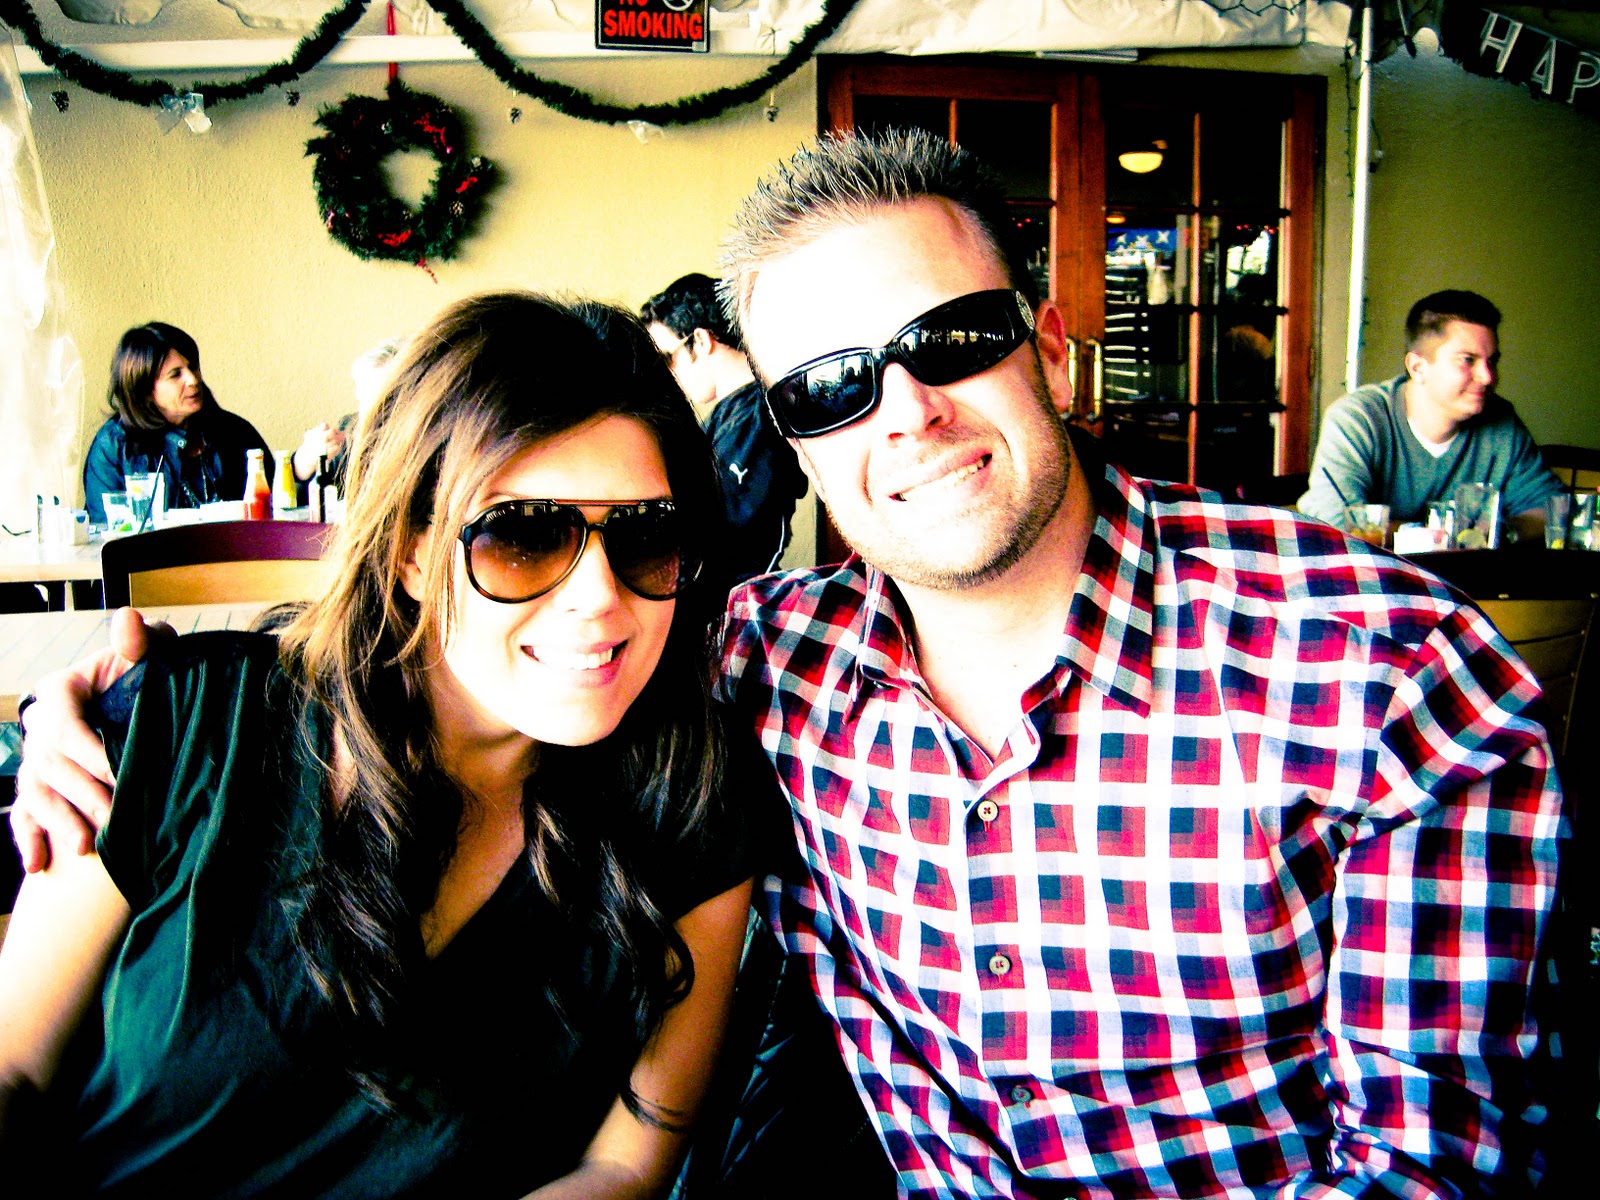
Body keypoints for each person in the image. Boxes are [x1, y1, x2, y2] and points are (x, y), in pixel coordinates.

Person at [12, 134, 1569, 1198]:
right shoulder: (770, 665)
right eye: (829, 385)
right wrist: (82, 703)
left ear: (1048, 341)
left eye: (953, 340)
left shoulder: (1382, 670)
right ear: (791, 440)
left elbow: (1435, 1167)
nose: (905, 411)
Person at [0, 292, 757, 1196]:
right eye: (523, 536)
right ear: (407, 550)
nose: (600, 596)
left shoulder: (693, 797)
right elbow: (15, 1068)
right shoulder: (189, 726)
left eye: (644, 536)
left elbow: (625, 1165)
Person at [1298, 290, 1560, 538]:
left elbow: (1550, 509)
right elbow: (1339, 522)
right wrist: (1454, 537)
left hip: (1467, 572)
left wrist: (1499, 534)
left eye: (1491, 361)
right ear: (1418, 367)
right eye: (1468, 360)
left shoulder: (1501, 421)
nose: (1487, 376)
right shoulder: (1358, 418)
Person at [642, 274, 808, 583]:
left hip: (726, 600)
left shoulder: (763, 417)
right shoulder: (728, 414)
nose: (665, 374)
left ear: (701, 341)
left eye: (666, 359)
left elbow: (725, 536)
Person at [83, 322, 272, 523]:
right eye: (175, 375)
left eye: (193, 367)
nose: (193, 380)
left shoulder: (235, 432)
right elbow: (106, 529)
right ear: (145, 390)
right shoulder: (114, 447)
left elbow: (275, 509)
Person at [291, 337, 403, 498]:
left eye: (386, 398)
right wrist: (304, 463)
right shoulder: (350, 430)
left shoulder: (431, 438)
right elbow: (304, 498)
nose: (370, 410)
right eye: (364, 397)